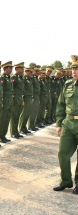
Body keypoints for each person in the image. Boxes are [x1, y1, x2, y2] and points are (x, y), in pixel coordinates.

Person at [53, 55, 78, 195]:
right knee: (63, 153)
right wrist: (59, 123)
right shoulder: (68, 84)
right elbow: (60, 104)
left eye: (77, 68)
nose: (74, 71)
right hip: (68, 123)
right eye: (73, 68)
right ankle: (66, 181)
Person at [0, 61, 14, 143]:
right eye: (10, 68)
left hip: (10, 100)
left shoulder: (8, 78)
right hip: (5, 100)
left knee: (7, 118)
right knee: (3, 119)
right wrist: (2, 101)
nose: (11, 70)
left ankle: (3, 135)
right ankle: (0, 136)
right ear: (5, 69)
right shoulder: (2, 78)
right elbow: (1, 90)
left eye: (11, 68)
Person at [10, 62, 25, 138]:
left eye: (23, 68)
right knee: (14, 116)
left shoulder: (21, 77)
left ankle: (16, 132)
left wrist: (22, 99)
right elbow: (11, 88)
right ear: (16, 69)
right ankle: (13, 132)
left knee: (17, 116)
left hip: (20, 98)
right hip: (15, 98)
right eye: (21, 68)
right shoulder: (14, 77)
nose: (22, 70)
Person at [19, 67, 33, 134]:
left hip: (29, 98)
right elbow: (22, 90)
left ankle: (24, 128)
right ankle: (21, 128)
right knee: (24, 114)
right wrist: (23, 99)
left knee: (27, 113)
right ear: (26, 72)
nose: (31, 74)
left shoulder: (29, 80)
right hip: (25, 98)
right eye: (30, 72)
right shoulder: (24, 79)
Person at [28, 65, 41, 131]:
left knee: (35, 112)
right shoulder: (32, 78)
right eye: (36, 71)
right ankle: (30, 126)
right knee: (32, 112)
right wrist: (32, 96)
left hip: (37, 96)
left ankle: (32, 125)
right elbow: (31, 88)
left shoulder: (36, 78)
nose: (38, 72)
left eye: (38, 71)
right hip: (33, 96)